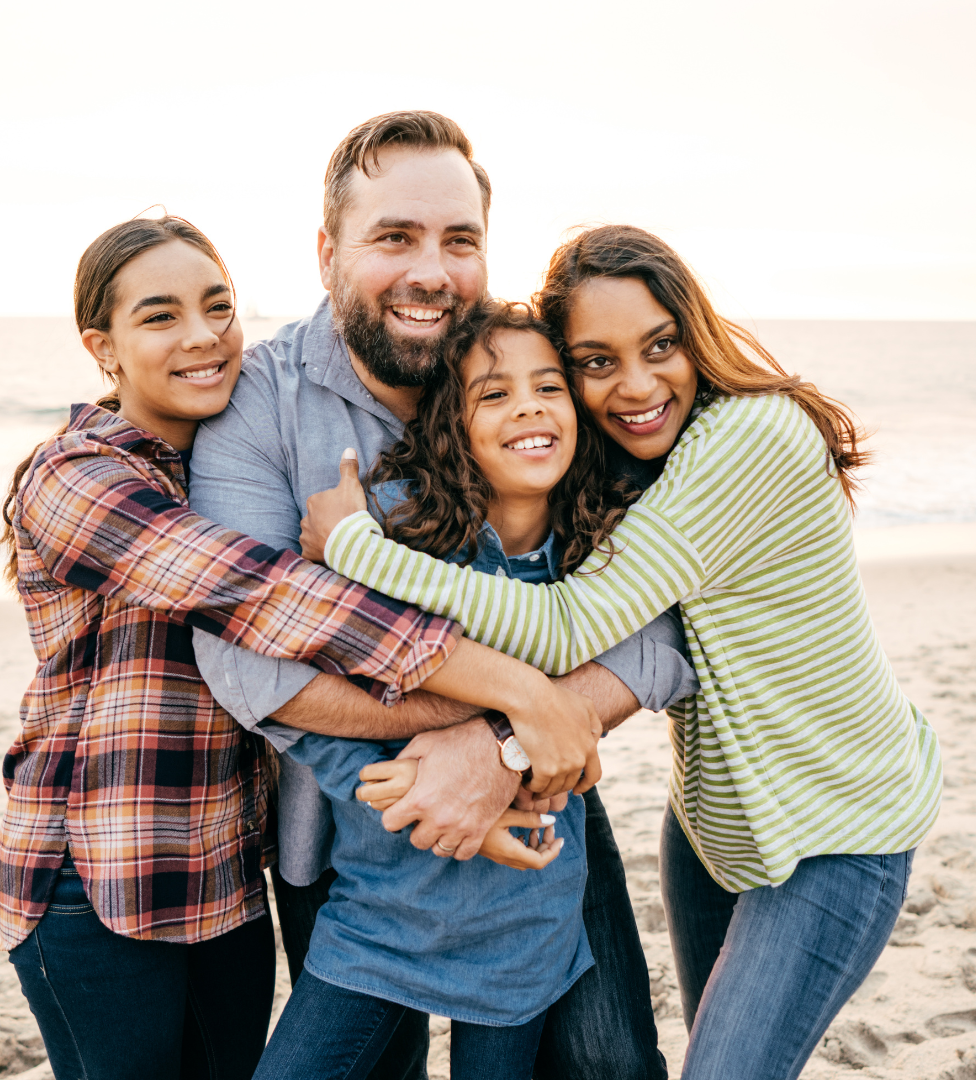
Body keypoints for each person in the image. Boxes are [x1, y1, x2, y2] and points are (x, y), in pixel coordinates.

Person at [303, 224, 944, 1080]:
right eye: (597, 363)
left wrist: (356, 546)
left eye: (661, 346)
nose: (637, 385)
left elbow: (569, 627)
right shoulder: (647, 459)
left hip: (839, 830)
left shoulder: (747, 439)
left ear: (696, 335)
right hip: (715, 828)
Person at [0, 215, 603, 1080]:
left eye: (218, 306)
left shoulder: (213, 455)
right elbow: (268, 598)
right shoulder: (76, 478)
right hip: (98, 878)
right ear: (105, 347)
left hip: (226, 874)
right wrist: (523, 693)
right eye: (160, 317)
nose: (204, 336)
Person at [191, 113, 692, 1080]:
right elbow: (243, 653)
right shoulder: (262, 400)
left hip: (540, 814)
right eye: (395, 237)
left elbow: (658, 624)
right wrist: (517, 697)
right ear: (329, 249)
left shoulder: (531, 369)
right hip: (353, 835)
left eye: (459, 240)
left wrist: (501, 747)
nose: (432, 270)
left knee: (613, 1066)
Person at [257, 301, 683, 1080]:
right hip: (381, 912)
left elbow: (633, 679)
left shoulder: (603, 561)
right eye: (492, 394)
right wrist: (399, 792)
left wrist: (508, 778)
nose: (527, 405)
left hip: (527, 913)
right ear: (451, 423)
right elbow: (309, 697)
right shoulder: (389, 534)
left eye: (549, 386)